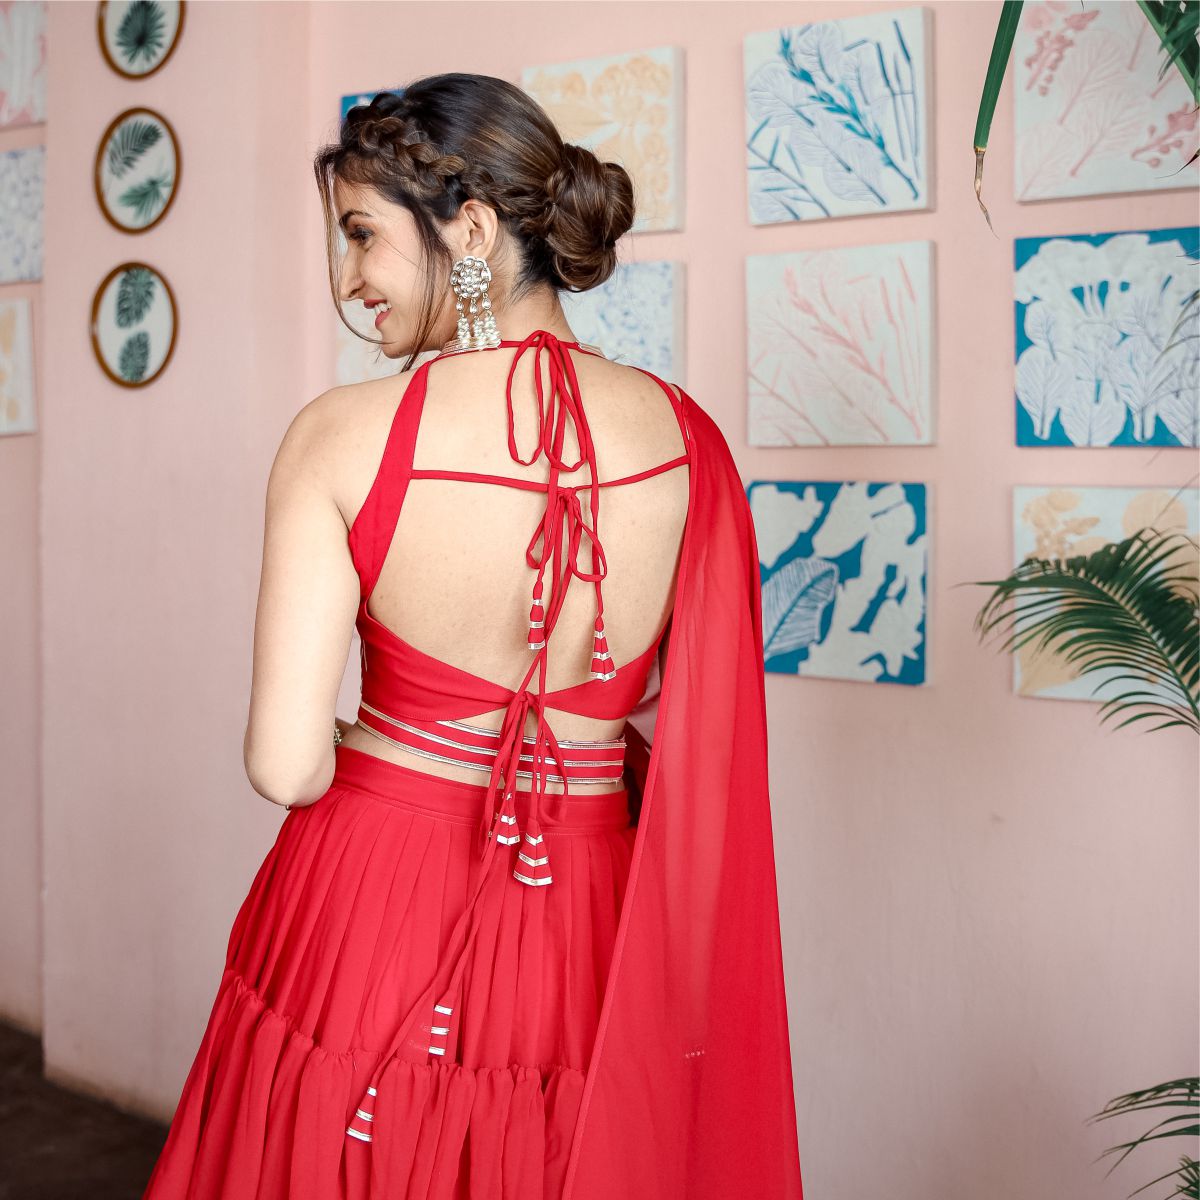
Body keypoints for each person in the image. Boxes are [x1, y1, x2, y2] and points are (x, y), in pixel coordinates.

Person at [143, 73, 802, 1200]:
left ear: (475, 231)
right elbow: (680, 738)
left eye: (360, 234)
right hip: (594, 915)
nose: (346, 280)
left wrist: (396, 747)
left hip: (369, 903)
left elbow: (284, 763)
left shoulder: (343, 433)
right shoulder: (689, 443)